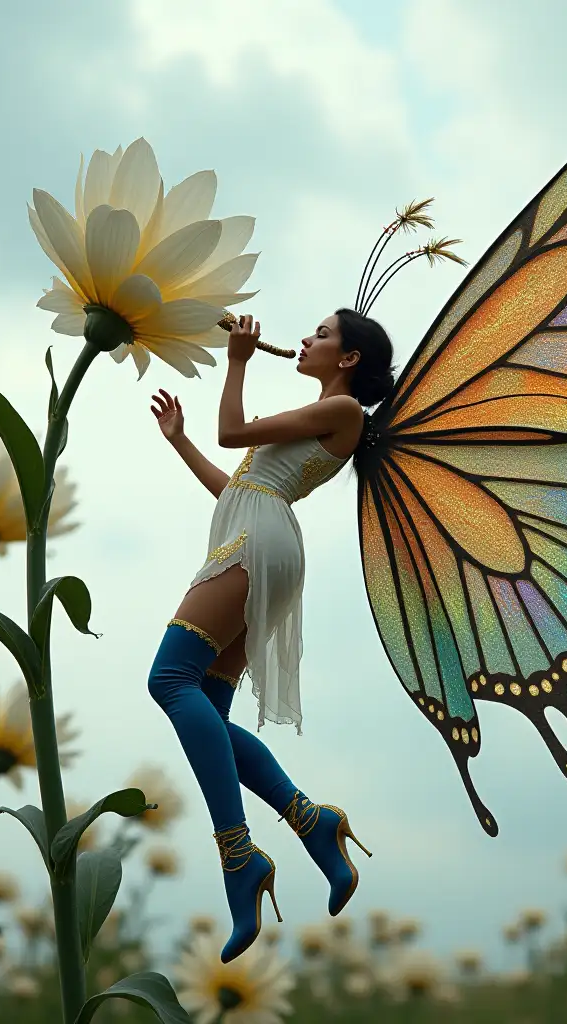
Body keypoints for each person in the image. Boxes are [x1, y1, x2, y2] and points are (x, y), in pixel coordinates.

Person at [146, 309, 395, 962]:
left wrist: (238, 360)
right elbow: (238, 487)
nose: (307, 339)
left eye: (321, 334)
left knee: (168, 680)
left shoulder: (344, 414)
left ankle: (239, 856)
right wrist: (178, 441)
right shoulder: (321, 416)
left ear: (347, 360)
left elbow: (234, 433)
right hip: (256, 533)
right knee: (206, 704)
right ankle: (314, 824)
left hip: (257, 544)